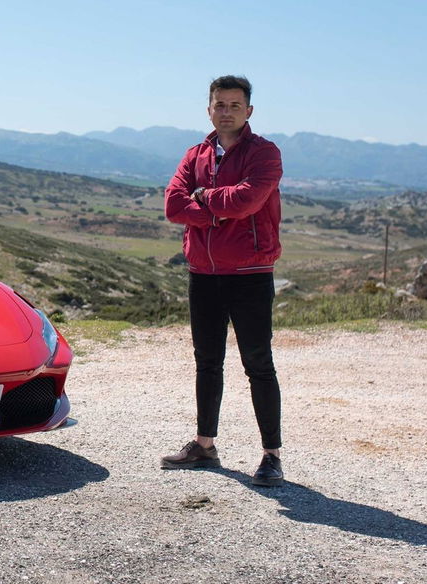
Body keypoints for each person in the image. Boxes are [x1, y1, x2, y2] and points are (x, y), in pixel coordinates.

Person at [161, 75, 285, 486]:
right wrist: (216, 209)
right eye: (220, 104)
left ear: (248, 111)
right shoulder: (195, 153)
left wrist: (204, 199)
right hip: (204, 274)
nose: (226, 111)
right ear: (209, 109)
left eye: (235, 105)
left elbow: (249, 199)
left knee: (258, 365)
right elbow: (173, 205)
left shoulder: (265, 153)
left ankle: (271, 456)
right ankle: (204, 445)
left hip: (250, 273)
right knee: (207, 363)